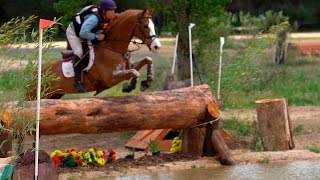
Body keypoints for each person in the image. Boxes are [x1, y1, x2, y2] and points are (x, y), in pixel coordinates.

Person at [66, 0, 117, 93]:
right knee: (79, 52)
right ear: (105, 11)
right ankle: (77, 82)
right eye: (111, 10)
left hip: (88, 32)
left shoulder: (107, 18)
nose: (114, 13)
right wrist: (97, 37)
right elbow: (83, 32)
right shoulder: (94, 19)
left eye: (114, 10)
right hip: (75, 33)